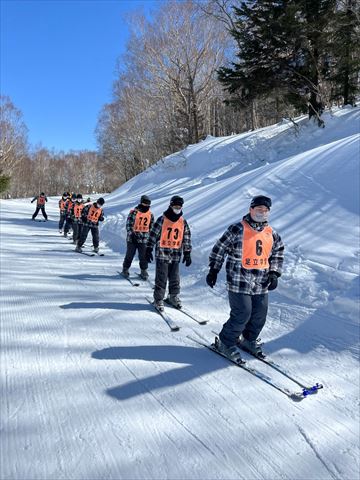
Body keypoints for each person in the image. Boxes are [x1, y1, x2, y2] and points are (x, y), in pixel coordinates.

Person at [206, 195, 284, 361]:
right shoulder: (237, 229)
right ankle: (225, 342)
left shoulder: (271, 233)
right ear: (251, 210)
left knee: (259, 314)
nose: (261, 213)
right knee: (242, 313)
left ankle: (248, 339)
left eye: (265, 211)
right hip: (239, 280)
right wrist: (214, 269)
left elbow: (278, 251)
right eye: (258, 210)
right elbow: (219, 249)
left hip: (261, 282)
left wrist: (274, 272)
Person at [146, 195, 192, 311]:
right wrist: (148, 249)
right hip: (162, 253)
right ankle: (158, 299)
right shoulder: (162, 219)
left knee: (175, 277)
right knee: (161, 277)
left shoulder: (182, 222)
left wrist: (187, 252)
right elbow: (153, 234)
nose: (177, 208)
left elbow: (186, 237)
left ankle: (173, 296)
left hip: (176, 254)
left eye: (179, 206)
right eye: (175, 206)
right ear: (170, 206)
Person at [121, 195, 154, 280]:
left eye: (148, 204)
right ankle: (125, 269)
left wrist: (151, 237)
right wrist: (131, 234)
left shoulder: (150, 214)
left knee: (143, 256)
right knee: (130, 254)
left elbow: (152, 227)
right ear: (141, 202)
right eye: (144, 203)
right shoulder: (134, 212)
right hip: (132, 238)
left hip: (144, 239)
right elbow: (129, 224)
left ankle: (144, 270)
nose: (146, 206)